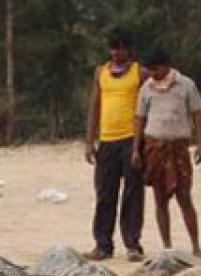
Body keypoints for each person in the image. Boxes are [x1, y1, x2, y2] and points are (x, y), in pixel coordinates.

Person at [131, 48, 201, 258]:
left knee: (184, 197)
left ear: (166, 65)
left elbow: (198, 115)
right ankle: (167, 246)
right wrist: (136, 149)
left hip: (178, 148)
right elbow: (140, 119)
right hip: (154, 147)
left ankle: (196, 246)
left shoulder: (186, 85)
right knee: (159, 199)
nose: (153, 73)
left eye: (156, 69)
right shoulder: (146, 88)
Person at [84, 29, 145, 262]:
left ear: (129, 49)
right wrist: (90, 142)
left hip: (131, 139)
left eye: (120, 48)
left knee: (133, 194)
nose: (116, 53)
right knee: (104, 194)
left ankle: (132, 244)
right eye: (113, 48)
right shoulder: (101, 72)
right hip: (107, 141)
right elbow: (94, 108)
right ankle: (103, 244)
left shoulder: (140, 72)